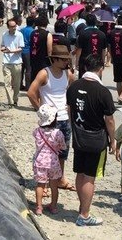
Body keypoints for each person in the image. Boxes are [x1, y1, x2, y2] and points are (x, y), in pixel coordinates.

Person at [65, 54, 117, 227]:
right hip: (96, 139)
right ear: (101, 69)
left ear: (85, 67)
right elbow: (109, 120)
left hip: (79, 136)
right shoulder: (103, 91)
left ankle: (82, 207)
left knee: (80, 173)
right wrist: (113, 140)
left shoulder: (73, 87)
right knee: (90, 177)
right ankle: (85, 215)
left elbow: (70, 110)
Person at [28, 49, 77, 195]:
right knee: (46, 151)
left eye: (67, 59)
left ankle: (60, 179)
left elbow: (72, 89)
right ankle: (44, 183)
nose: (66, 62)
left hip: (64, 118)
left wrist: (69, 107)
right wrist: (41, 110)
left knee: (62, 152)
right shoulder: (44, 73)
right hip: (50, 120)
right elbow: (31, 92)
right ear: (54, 60)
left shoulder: (68, 74)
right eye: (63, 59)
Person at [32, 104, 66, 216]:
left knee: (40, 185)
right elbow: (62, 146)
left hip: (40, 162)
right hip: (53, 162)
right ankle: (54, 206)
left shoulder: (37, 131)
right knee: (54, 185)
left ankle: (38, 207)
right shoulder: (58, 133)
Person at [0, 18, 25, 106]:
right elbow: (2, 45)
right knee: (7, 83)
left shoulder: (19, 35)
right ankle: (10, 101)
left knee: (16, 83)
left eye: (15, 26)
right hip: (6, 61)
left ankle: (15, 99)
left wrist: (12, 51)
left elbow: (21, 48)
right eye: (12, 26)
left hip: (17, 62)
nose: (14, 28)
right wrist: (3, 48)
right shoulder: (4, 34)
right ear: (8, 27)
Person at [74, 14, 108, 79]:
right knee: (96, 81)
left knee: (84, 81)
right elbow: (104, 50)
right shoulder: (102, 34)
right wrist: (103, 62)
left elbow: (79, 49)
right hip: (97, 62)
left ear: (86, 22)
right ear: (95, 22)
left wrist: (77, 62)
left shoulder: (82, 33)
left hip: (84, 62)